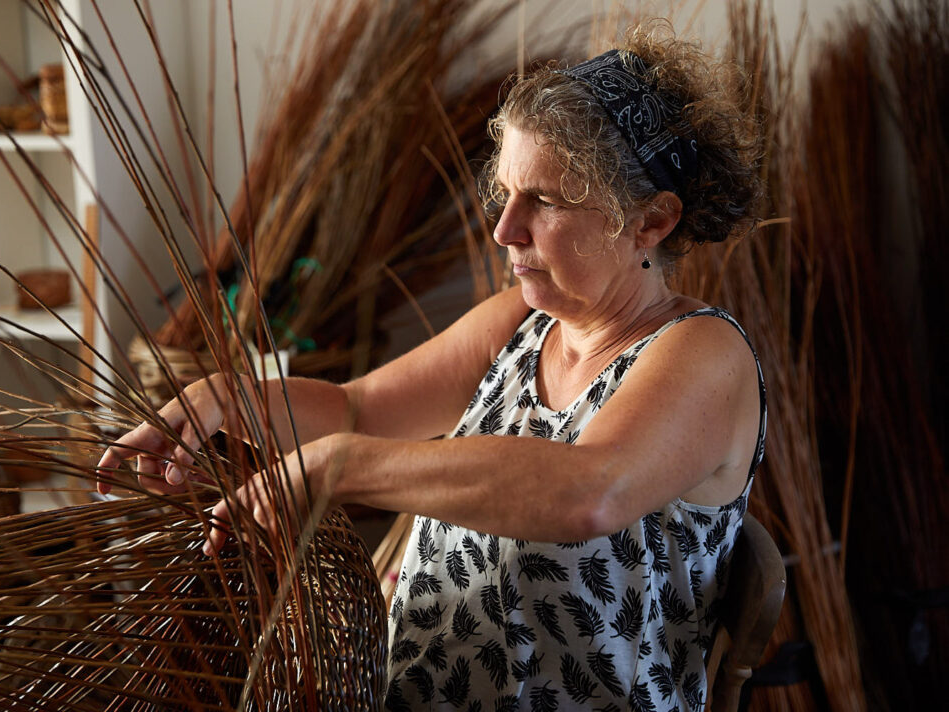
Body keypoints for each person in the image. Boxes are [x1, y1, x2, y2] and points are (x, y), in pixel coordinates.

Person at [97, 22, 766, 712]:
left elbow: (589, 492)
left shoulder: (702, 352)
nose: (505, 230)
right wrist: (228, 397)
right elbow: (357, 408)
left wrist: (339, 466)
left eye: (544, 201)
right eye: (506, 193)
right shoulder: (520, 324)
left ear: (650, 221)